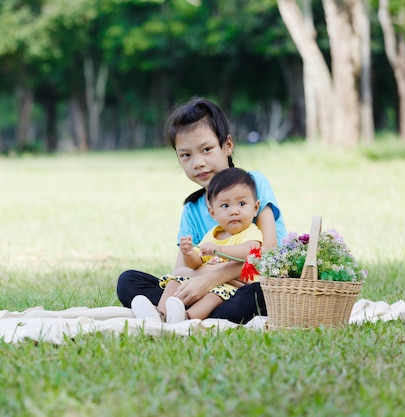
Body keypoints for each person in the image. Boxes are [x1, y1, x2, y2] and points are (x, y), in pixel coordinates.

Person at [116, 97, 287, 323]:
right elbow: (181, 270)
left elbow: (269, 253)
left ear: (227, 145)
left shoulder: (252, 184)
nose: (197, 163)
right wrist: (197, 280)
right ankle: (172, 312)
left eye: (206, 149)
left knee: (256, 294)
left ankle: (188, 313)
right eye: (186, 155)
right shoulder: (192, 208)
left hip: (255, 282)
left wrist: (210, 279)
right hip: (206, 289)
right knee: (128, 281)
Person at [131, 167, 263, 323]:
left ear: (255, 208)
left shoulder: (250, 232)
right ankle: (160, 314)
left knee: (215, 295)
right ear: (212, 213)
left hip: (232, 286)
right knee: (175, 281)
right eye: (225, 206)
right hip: (202, 281)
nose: (234, 211)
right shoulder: (213, 234)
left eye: (241, 204)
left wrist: (220, 250)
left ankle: (187, 318)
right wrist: (189, 254)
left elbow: (250, 251)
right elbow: (196, 263)